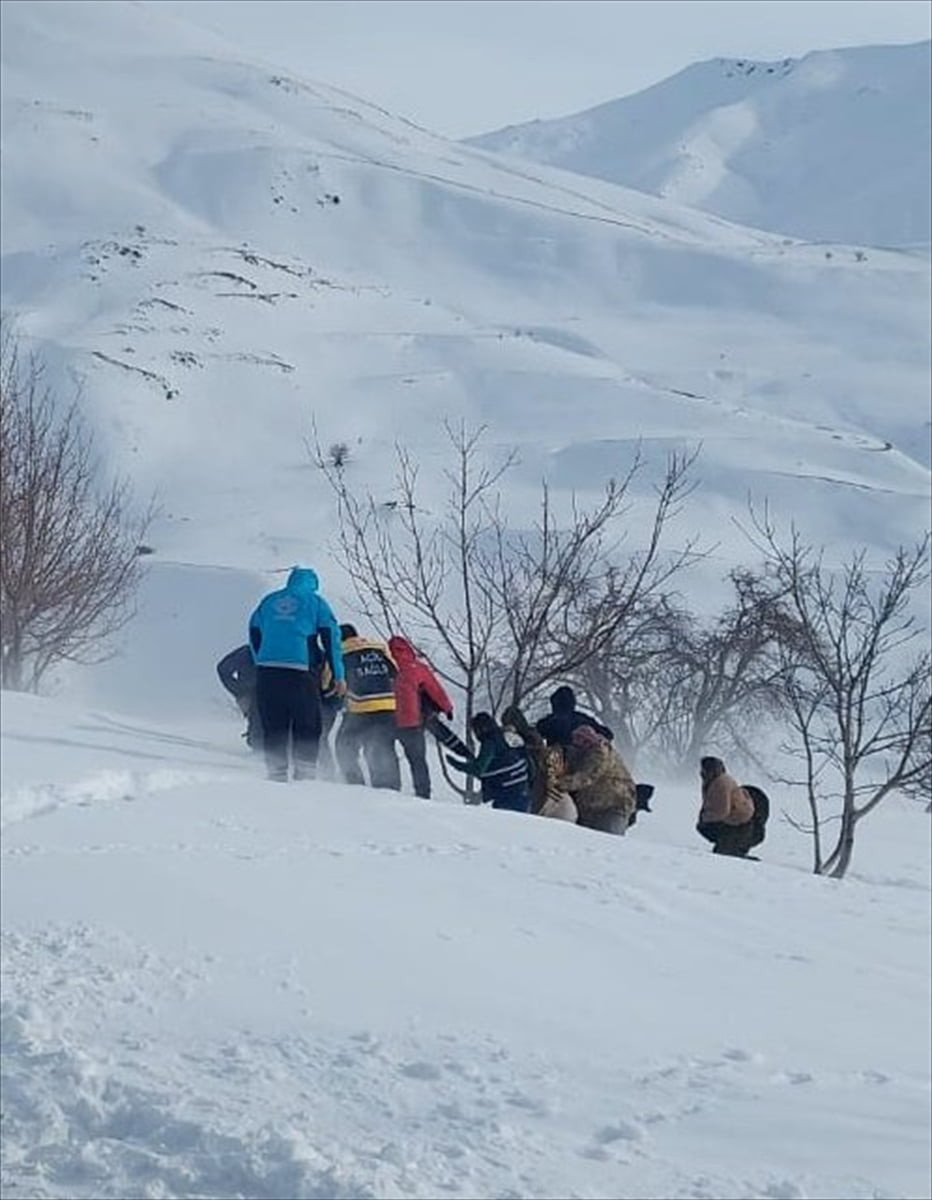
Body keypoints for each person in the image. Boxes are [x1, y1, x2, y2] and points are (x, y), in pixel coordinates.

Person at [248, 567, 345, 782]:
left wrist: (260, 660)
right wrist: (338, 674)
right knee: (307, 722)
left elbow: (253, 631)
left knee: (274, 723)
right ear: (313, 585)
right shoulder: (316, 602)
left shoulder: (268, 601)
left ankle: (276, 772)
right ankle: (305, 774)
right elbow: (331, 637)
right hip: (300, 671)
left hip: (267, 671)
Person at [387, 635, 454, 799]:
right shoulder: (417, 667)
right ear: (409, 649)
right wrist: (447, 708)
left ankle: (390, 788)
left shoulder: (386, 666)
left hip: (388, 719)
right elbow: (435, 689)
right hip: (412, 721)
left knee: (387, 754)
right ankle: (423, 794)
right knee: (418, 761)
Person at [336, 624, 401, 790]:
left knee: (344, 746)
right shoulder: (378, 647)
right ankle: (390, 789)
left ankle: (356, 786)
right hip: (388, 705)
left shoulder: (340, 652)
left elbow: (331, 680)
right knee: (383, 748)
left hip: (361, 707)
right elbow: (395, 671)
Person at [446, 712, 531, 812]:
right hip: (523, 791)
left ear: (481, 729)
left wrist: (457, 765)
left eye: (475, 730)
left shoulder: (490, 743)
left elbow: (479, 770)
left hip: (506, 796)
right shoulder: (504, 736)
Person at [560, 724, 636, 834]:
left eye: (581, 739)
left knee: (607, 843)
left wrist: (558, 783)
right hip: (590, 810)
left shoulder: (600, 752)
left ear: (588, 740)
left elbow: (587, 776)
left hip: (613, 808)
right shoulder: (581, 754)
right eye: (575, 739)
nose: (576, 743)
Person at [696, 756, 756, 856]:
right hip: (735, 821)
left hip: (737, 823)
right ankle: (727, 844)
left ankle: (732, 845)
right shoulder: (713, 781)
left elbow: (722, 812)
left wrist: (704, 817)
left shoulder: (720, 783)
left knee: (723, 854)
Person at [535, 685, 614, 748]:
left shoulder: (548, 722)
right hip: (585, 762)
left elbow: (536, 732)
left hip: (558, 764)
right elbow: (608, 734)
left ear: (554, 704)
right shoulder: (582, 719)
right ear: (573, 702)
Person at [216, 643, 261, 749]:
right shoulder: (247, 652)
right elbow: (223, 668)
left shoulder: (248, 651)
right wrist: (240, 690)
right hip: (252, 695)